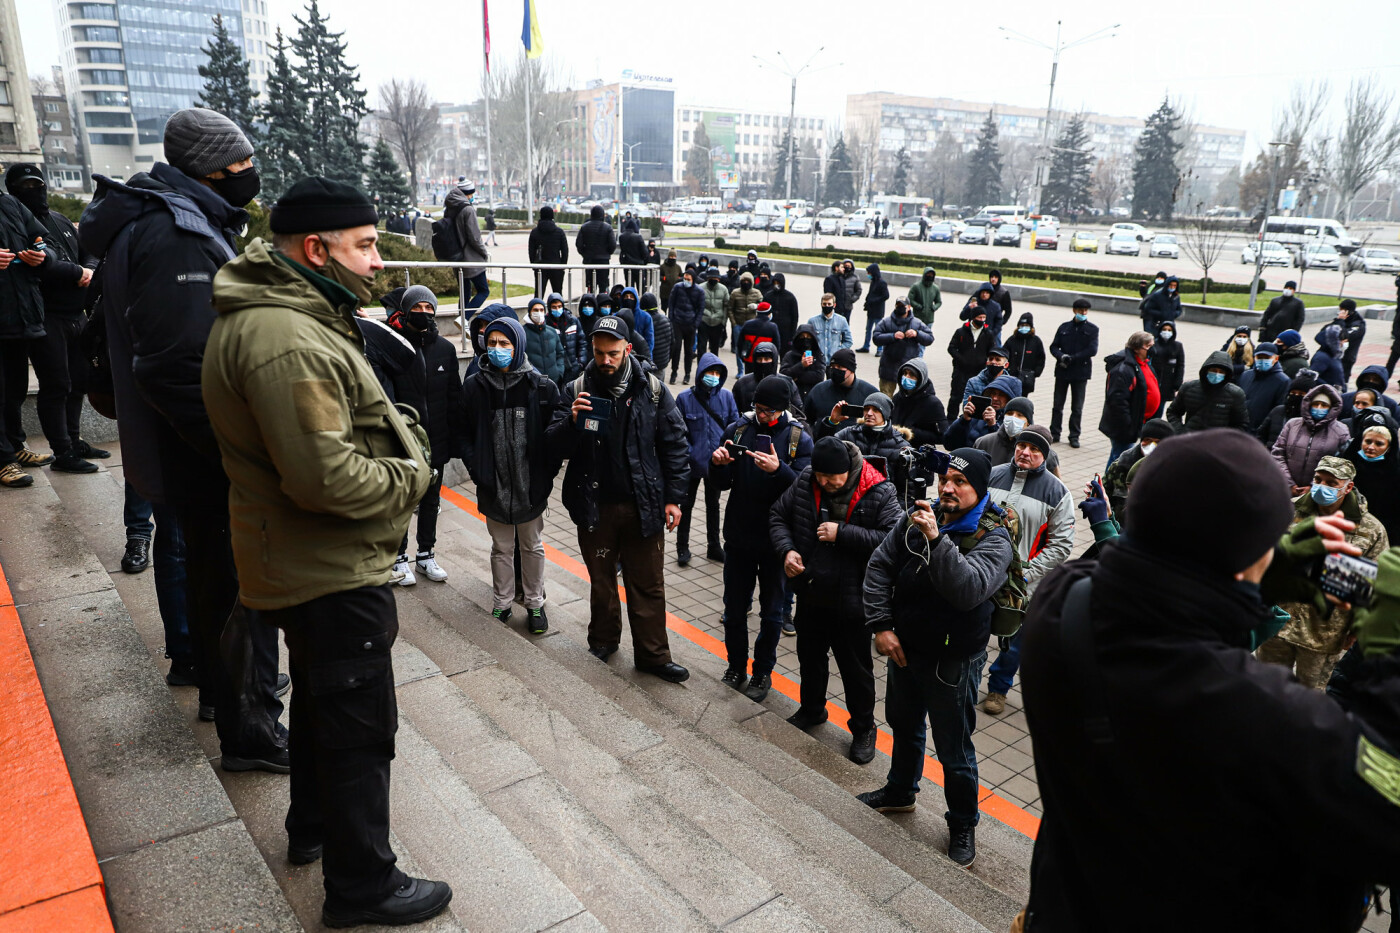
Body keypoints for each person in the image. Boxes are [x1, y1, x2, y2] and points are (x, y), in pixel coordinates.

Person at [1018, 427, 1400, 929]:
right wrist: (1389, 662)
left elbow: (1160, 598)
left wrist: (1251, 582)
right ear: (1249, 553)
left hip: (1067, 903)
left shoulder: (1061, 604)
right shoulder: (1261, 711)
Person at [201, 176, 453, 926]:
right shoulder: (284, 337)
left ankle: (312, 826)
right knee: (358, 725)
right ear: (316, 249)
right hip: (328, 566)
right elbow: (323, 476)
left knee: (321, 701)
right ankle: (362, 883)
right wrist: (410, 475)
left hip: (304, 558)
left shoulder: (294, 310)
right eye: (366, 245)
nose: (379, 261)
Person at [82, 107, 286, 769]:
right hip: (208, 456)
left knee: (219, 580)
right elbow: (178, 367)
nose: (250, 175)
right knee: (233, 586)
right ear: (210, 167)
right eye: (242, 164)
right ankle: (249, 728)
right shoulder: (177, 235)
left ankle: (239, 690)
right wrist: (242, 452)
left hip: (185, 450)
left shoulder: (161, 220)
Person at [857, 447, 1014, 869]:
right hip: (905, 648)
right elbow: (879, 566)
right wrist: (881, 625)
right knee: (904, 725)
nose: (948, 487)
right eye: (946, 478)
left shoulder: (993, 537)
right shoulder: (919, 515)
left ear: (978, 490)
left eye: (960, 482)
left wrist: (935, 538)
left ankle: (962, 822)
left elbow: (967, 590)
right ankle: (900, 791)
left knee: (953, 749)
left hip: (954, 660)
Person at [548, 315, 690, 682]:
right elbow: (550, 445)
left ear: (627, 349)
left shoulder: (653, 390)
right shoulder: (576, 388)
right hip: (594, 508)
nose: (605, 361)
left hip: (643, 506)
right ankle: (603, 640)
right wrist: (571, 423)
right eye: (599, 353)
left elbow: (675, 446)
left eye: (612, 353)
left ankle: (653, 656)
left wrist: (674, 498)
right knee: (602, 581)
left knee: (647, 585)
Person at [772, 431, 900, 764]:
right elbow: (778, 516)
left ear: (850, 470)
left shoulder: (878, 490)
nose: (826, 482)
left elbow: (893, 539)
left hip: (854, 602)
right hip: (812, 592)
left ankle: (863, 729)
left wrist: (842, 533)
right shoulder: (806, 481)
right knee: (810, 659)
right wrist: (787, 551)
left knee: (856, 671)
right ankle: (812, 710)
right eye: (821, 476)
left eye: (833, 477)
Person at [711, 377, 811, 702]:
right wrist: (718, 465)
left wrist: (779, 469)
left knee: (772, 614)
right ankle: (735, 666)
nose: (762, 415)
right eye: (758, 408)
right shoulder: (738, 430)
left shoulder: (799, 440)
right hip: (739, 538)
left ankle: (763, 672)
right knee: (734, 610)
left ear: (782, 409)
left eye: (768, 410)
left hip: (776, 545)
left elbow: (806, 491)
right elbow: (722, 483)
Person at [460, 313, 562, 632]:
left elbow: (554, 436)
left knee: (531, 547)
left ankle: (534, 605)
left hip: (530, 488)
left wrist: (544, 477)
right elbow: (463, 434)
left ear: (517, 346)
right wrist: (478, 471)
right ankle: (502, 604)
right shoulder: (475, 387)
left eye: (504, 343)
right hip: (494, 487)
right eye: (491, 342)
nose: (497, 348)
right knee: (501, 548)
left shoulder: (539, 386)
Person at [5, 163, 109, 474]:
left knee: (78, 382)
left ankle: (74, 441)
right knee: (57, 385)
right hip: (46, 317)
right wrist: (78, 272)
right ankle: (62, 452)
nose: (35, 189)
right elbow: (34, 264)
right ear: (12, 190)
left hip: (76, 314)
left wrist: (87, 269)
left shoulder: (60, 220)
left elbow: (87, 249)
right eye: (26, 185)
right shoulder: (17, 222)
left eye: (38, 182)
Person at [1257, 456, 1389, 690]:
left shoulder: (1371, 529)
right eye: (1318, 479)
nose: (1322, 487)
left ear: (1348, 487)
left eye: (1331, 483)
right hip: (1276, 618)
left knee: (1309, 698)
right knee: (1265, 688)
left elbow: (1374, 585)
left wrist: (1358, 627)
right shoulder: (1289, 508)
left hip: (1323, 632)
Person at [979, 426, 1075, 716]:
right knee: (974, 630)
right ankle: (966, 678)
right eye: (1023, 446)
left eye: (1035, 449)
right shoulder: (991, 474)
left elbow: (1061, 545)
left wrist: (1025, 574)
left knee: (1013, 642)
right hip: (982, 573)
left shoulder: (1057, 491)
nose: (1026, 452)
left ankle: (998, 687)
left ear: (1044, 455)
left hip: (1024, 585)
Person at [385, 286, 464, 585]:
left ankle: (426, 555)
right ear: (405, 311)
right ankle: (399, 557)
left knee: (431, 501)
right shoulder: (394, 347)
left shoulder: (445, 349)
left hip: (436, 443)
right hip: (404, 443)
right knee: (404, 502)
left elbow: (454, 397)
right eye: (417, 307)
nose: (424, 313)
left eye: (429, 308)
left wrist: (454, 441)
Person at [0, 169, 53, 487]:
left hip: (20, 314)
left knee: (15, 388)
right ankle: (4, 460)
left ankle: (15, 446)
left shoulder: (9, 204)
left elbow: (39, 236)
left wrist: (39, 253)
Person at [675, 352, 738, 565]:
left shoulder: (727, 397)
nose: (713, 376)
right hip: (691, 464)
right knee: (686, 504)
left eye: (717, 373)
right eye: (710, 372)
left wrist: (725, 453)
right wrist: (690, 453)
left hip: (716, 464)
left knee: (714, 505)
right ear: (700, 373)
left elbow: (734, 427)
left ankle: (714, 546)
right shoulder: (684, 399)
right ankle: (682, 547)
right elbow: (678, 433)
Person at [1098, 332, 1160, 470]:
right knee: (1120, 459)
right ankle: (1110, 486)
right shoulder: (1123, 370)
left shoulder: (1142, 363)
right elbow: (1117, 402)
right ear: (1137, 348)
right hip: (1124, 427)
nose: (1152, 349)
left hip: (1136, 422)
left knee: (1118, 456)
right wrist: (1129, 426)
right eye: (1148, 346)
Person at [1271, 384, 1349, 494]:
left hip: (1318, 491)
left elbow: (1340, 464)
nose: (1319, 408)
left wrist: (1314, 486)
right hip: (1285, 488)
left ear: (1332, 408)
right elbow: (1277, 454)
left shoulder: (1341, 431)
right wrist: (1289, 483)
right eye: (1315, 404)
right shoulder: (1292, 425)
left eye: (1324, 405)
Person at [1048, 299, 1099, 448]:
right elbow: (1053, 346)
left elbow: (1092, 350)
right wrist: (1061, 356)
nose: (1083, 313)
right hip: (1062, 371)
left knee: (1077, 407)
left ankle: (1074, 436)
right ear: (1074, 310)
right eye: (1080, 310)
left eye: (1085, 311)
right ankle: (1055, 433)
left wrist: (1073, 358)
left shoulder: (1092, 329)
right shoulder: (1064, 327)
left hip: (1080, 373)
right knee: (1057, 405)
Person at [1345, 408, 1400, 541]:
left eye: (1379, 444)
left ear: (1388, 448)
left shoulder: (1395, 474)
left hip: (1380, 534)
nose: (1371, 447)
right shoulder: (1346, 465)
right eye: (1368, 441)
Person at [1102, 418, 1173, 517]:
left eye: (1158, 442)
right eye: (1147, 440)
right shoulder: (1121, 466)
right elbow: (1104, 496)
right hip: (1123, 527)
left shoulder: (1175, 469)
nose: (1152, 446)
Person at [1165, 351, 1249, 434]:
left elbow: (1242, 424)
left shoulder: (1235, 394)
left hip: (1217, 443)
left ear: (1227, 374)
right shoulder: (1188, 388)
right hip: (1190, 439)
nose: (1217, 374)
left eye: (1221, 372)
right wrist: (1180, 431)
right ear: (1206, 370)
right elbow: (1173, 412)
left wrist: (1225, 440)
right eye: (1213, 370)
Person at [973, 396, 1060, 473]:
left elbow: (1055, 487)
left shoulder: (1045, 453)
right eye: (1009, 413)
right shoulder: (984, 443)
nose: (1013, 418)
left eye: (1020, 415)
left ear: (1028, 422)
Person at [808, 348, 879, 441]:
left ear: (852, 369)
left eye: (840, 367)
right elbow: (807, 421)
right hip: (825, 446)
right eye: (833, 366)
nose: (835, 370)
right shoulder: (818, 391)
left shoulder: (870, 394)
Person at [872, 299, 934, 397]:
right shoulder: (886, 321)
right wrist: (892, 336)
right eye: (898, 306)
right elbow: (876, 338)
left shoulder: (917, 323)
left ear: (909, 307)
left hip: (908, 372)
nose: (900, 308)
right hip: (889, 369)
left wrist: (917, 333)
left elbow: (930, 338)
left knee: (907, 399)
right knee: (886, 397)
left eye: (903, 306)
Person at [445, 181, 491, 311]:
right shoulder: (468, 209)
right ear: (468, 194)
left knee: (464, 294)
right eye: (471, 194)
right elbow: (475, 237)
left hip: (456, 256)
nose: (472, 197)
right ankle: (463, 320)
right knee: (483, 291)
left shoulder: (450, 208)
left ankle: (463, 323)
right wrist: (484, 253)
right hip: (471, 259)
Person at [944, 374, 1023, 449]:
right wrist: (964, 420)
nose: (995, 398)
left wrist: (992, 427)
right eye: (993, 393)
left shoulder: (1015, 421)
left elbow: (1004, 451)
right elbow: (949, 444)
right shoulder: (978, 414)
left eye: (1001, 395)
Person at [890, 358, 948, 450]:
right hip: (895, 448)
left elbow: (943, 437)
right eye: (905, 373)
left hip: (919, 452)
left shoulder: (933, 403)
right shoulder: (898, 397)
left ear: (921, 378)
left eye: (912, 375)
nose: (907, 377)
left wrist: (912, 432)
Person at [946, 307, 997, 407]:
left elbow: (992, 351)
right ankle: (951, 420)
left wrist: (985, 361)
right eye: (979, 317)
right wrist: (961, 359)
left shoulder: (988, 334)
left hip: (978, 371)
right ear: (973, 318)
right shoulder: (961, 332)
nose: (982, 320)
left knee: (976, 398)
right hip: (960, 371)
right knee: (956, 397)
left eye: (984, 317)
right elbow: (951, 348)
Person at [731, 340, 798, 415]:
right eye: (759, 359)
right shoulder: (742, 384)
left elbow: (797, 411)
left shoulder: (787, 383)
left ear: (773, 360)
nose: (763, 362)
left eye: (766, 359)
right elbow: (733, 411)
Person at [1238, 341, 1289, 434]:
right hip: (1240, 429)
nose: (1262, 360)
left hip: (1259, 433)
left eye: (1267, 357)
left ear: (1276, 358)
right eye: (1259, 357)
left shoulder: (1282, 381)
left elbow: (1278, 412)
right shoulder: (1246, 375)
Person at [1258, 371, 1318, 449]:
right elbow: (1261, 434)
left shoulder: (1311, 417)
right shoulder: (1278, 411)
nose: (1296, 396)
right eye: (1293, 392)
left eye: (1301, 394)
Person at [667, 268, 703, 385]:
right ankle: (674, 372)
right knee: (676, 349)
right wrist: (671, 319)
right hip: (677, 322)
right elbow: (671, 303)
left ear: (693, 280)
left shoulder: (699, 292)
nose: (686, 281)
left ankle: (687, 374)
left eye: (688, 279)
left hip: (690, 324)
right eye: (685, 279)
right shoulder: (677, 287)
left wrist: (695, 324)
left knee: (689, 351)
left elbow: (700, 309)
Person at [781, 324, 826, 412]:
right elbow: (783, 375)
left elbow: (819, 377)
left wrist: (796, 377)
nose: (805, 339)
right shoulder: (790, 356)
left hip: (812, 398)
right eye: (802, 337)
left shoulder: (818, 355)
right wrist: (801, 365)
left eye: (808, 337)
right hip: (793, 400)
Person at [522, 296, 566, 383]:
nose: (539, 313)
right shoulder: (522, 333)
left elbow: (560, 353)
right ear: (529, 312)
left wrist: (559, 372)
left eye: (541, 310)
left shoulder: (552, 332)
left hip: (553, 380)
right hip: (532, 382)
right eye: (535, 310)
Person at [528, 205, 569, 297]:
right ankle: (559, 309)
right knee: (558, 293)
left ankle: (536, 310)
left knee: (539, 293)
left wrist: (533, 264)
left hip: (540, 266)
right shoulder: (559, 232)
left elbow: (531, 251)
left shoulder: (535, 232)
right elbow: (565, 250)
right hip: (556, 266)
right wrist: (562, 265)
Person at [575, 205, 617, 292]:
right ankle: (602, 302)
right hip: (603, 261)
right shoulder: (608, 228)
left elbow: (579, 244)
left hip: (589, 260)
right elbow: (613, 244)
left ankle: (591, 301)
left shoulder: (584, 227)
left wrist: (585, 254)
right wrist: (607, 253)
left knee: (590, 285)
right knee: (603, 284)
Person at [1002, 312, 1045, 397]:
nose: (1024, 328)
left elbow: (1041, 358)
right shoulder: (1012, 340)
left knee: (1023, 399)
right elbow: (1004, 354)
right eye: (1022, 325)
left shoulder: (1036, 341)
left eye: (1026, 325)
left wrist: (1035, 372)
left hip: (1027, 378)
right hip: (1011, 376)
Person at [544, 292, 583, 384]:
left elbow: (582, 342)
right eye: (554, 307)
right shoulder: (545, 324)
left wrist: (581, 362)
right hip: (555, 368)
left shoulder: (572, 321)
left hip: (573, 366)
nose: (557, 309)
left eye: (559, 306)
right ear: (549, 308)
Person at [728, 272, 762, 375]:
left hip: (752, 325)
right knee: (739, 348)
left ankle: (751, 369)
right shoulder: (735, 293)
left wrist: (756, 306)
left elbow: (763, 305)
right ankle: (740, 370)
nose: (746, 283)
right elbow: (730, 309)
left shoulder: (756, 293)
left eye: (748, 281)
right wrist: (734, 323)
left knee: (752, 347)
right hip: (738, 324)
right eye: (744, 281)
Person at [1148, 319, 1186, 407]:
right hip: (1153, 380)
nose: (1166, 332)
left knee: (1160, 405)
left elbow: (1180, 366)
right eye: (1164, 329)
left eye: (1169, 330)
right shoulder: (1154, 344)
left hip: (1167, 382)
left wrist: (1177, 384)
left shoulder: (1177, 346)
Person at [1326, 299, 1366, 383]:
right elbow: (1325, 331)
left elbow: (1344, 335)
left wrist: (1340, 321)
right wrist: (1338, 321)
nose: (1339, 313)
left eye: (1342, 310)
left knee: (1340, 382)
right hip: (1333, 355)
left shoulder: (1358, 325)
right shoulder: (1341, 321)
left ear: (1348, 311)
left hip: (1346, 358)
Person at [736, 300, 781, 370]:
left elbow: (740, 343)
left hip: (750, 360)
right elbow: (777, 346)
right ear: (769, 314)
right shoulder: (773, 327)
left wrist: (743, 357)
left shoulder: (747, 324)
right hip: (766, 361)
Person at [809, 292, 853, 361]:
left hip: (834, 361)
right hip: (818, 361)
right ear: (821, 305)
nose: (827, 306)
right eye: (824, 304)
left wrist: (838, 351)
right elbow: (808, 341)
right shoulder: (812, 321)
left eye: (829, 304)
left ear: (834, 305)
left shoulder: (842, 320)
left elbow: (848, 341)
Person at [698, 266, 731, 358]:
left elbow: (726, 306)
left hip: (717, 322)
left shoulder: (724, 289)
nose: (713, 279)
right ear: (707, 278)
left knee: (714, 349)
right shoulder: (700, 288)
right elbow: (697, 305)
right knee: (701, 347)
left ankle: (713, 368)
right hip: (704, 321)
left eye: (715, 278)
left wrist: (723, 322)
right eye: (711, 278)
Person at [857, 262, 890, 354]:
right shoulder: (874, 282)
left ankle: (880, 349)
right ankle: (866, 346)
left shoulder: (882, 283)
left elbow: (886, 296)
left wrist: (874, 300)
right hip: (871, 310)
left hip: (878, 310)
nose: (868, 275)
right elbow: (871, 293)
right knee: (868, 329)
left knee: (878, 331)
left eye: (869, 273)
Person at [767, 272, 800, 353]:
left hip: (786, 333)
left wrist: (792, 334)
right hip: (771, 331)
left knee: (785, 356)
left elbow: (795, 317)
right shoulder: (768, 296)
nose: (776, 285)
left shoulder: (790, 297)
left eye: (778, 283)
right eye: (774, 283)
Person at [644, 292, 673, 377]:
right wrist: (667, 359)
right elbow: (672, 342)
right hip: (661, 364)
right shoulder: (666, 320)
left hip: (646, 364)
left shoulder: (644, 322)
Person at [1310, 322, 1347, 388]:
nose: (1345, 343)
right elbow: (1312, 376)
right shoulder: (1322, 357)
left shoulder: (1335, 355)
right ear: (1336, 341)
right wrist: (1330, 388)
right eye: (1344, 341)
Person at [618, 223, 649, 289]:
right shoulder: (638, 237)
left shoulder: (621, 237)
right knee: (640, 287)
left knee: (629, 286)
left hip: (627, 265)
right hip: (638, 265)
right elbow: (645, 252)